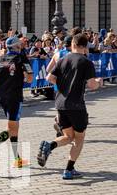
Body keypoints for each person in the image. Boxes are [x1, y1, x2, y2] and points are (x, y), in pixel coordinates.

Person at [37, 33, 102, 180]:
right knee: (79, 139)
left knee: (68, 136)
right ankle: (68, 169)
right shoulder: (86, 62)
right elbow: (92, 85)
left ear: (72, 44)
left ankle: (49, 145)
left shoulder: (62, 59)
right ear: (85, 47)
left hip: (60, 104)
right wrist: (99, 82)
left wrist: (63, 85)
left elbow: (49, 78)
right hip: (76, 105)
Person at [0, 35, 32, 170]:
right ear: (17, 46)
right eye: (20, 45)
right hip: (15, 96)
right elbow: (30, 78)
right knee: (11, 129)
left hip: (2, 97)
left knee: (14, 128)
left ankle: (17, 159)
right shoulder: (21, 58)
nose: (21, 47)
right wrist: (23, 77)